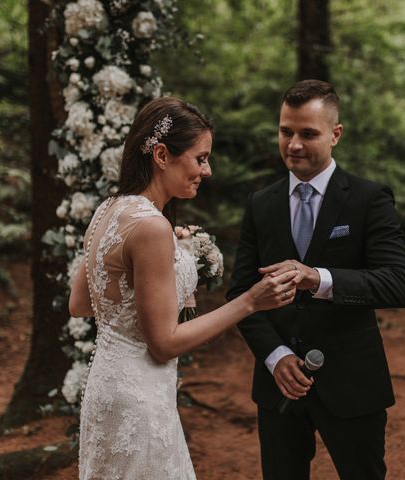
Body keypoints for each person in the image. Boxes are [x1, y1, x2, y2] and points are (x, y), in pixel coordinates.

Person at [69, 96, 300, 480]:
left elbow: (81, 302)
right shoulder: (151, 228)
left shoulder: (108, 210)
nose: (207, 170)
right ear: (161, 155)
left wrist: (157, 290)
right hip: (139, 397)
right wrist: (250, 301)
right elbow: (164, 344)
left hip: (106, 390)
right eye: (200, 157)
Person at [226, 80, 405, 480]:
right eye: (285, 131)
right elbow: (241, 294)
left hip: (351, 382)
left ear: (336, 134)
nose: (293, 144)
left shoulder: (369, 199)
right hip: (278, 384)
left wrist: (318, 279)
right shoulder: (261, 204)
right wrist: (275, 357)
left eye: (308, 133)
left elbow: (400, 283)